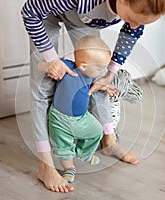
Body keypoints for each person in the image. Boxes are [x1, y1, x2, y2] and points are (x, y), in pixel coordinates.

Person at [21, 0, 165, 193]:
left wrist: (109, 75)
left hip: (82, 19)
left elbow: (131, 33)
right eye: (132, 19)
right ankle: (46, 166)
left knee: (97, 77)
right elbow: (29, 12)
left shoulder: (135, 16)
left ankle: (109, 142)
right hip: (42, 15)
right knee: (42, 85)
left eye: (140, 23)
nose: (133, 25)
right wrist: (52, 59)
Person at [43, 35, 114, 183]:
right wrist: (47, 67)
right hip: (59, 118)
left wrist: (106, 87)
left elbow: (98, 83)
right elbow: (43, 65)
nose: (103, 71)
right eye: (100, 68)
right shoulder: (67, 67)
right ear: (83, 66)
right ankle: (69, 168)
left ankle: (84, 153)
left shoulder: (90, 75)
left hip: (82, 118)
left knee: (96, 131)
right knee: (62, 145)